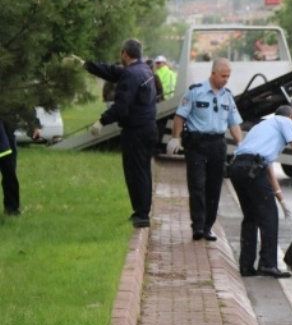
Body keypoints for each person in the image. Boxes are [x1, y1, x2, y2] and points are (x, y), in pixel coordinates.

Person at [228, 105, 292, 278]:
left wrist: (281, 199)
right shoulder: (286, 122)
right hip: (253, 169)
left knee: (251, 218)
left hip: (237, 168)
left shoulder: (261, 127)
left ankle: (246, 266)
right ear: (291, 116)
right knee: (269, 217)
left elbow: (266, 166)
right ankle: (268, 264)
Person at [167, 58, 244, 242]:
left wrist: (241, 144)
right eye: (223, 76)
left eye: (228, 76)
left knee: (214, 187)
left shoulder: (227, 96)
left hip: (218, 144)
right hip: (197, 144)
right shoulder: (196, 92)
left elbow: (233, 123)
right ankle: (198, 226)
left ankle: (208, 226)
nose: (226, 79)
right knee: (197, 185)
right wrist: (175, 138)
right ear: (213, 73)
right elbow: (180, 115)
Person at [85, 38, 158, 228]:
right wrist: (87, 65)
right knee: (143, 171)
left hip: (136, 130)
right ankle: (142, 211)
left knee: (136, 173)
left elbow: (121, 107)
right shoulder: (143, 70)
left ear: (125, 53)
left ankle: (142, 215)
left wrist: (102, 121)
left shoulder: (132, 75)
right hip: (148, 128)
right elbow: (113, 71)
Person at [0, 118, 41, 216]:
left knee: (10, 173)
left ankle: (12, 210)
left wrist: (34, 126)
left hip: (7, 133)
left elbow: (23, 105)